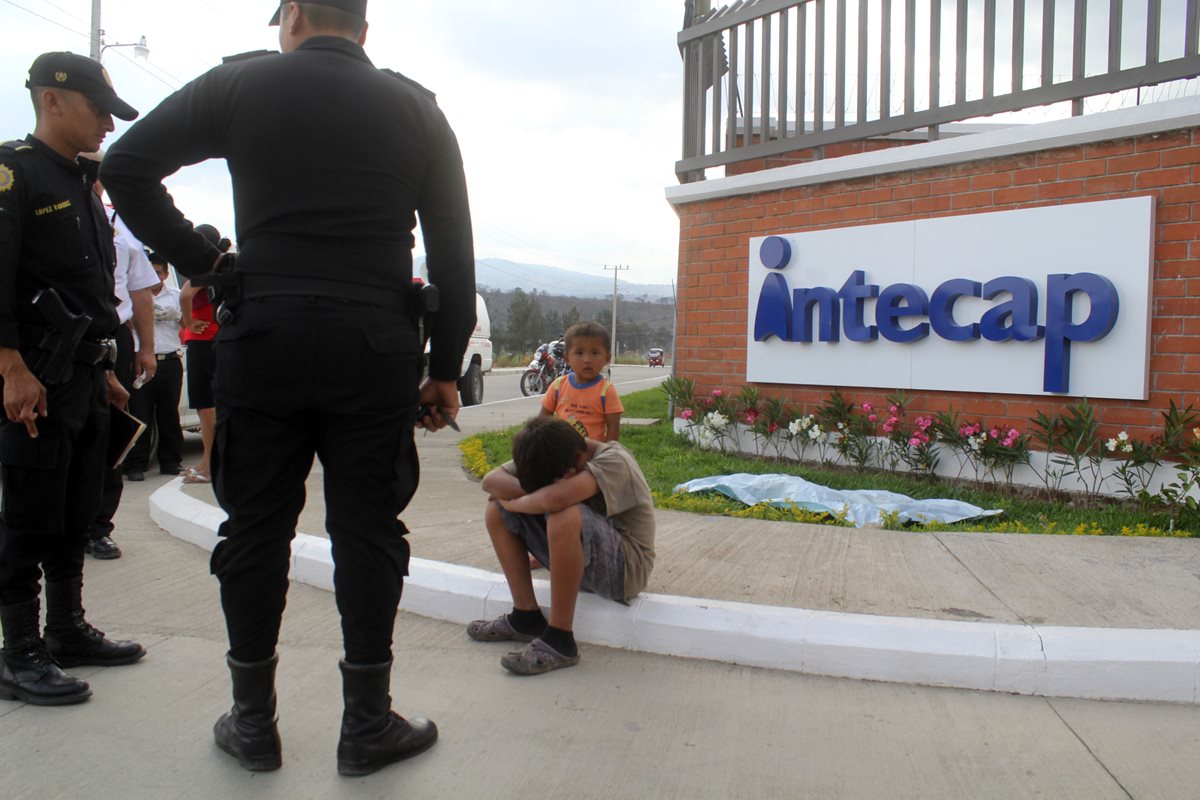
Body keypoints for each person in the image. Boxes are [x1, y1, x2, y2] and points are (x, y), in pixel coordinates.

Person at [101, 0, 476, 776]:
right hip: (372, 346)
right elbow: (453, 252)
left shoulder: (242, 86)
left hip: (261, 338)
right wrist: (443, 370)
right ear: (363, 29)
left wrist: (197, 256)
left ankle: (253, 724)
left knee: (256, 529)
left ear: (296, 14)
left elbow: (125, 165)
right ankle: (366, 725)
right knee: (368, 533)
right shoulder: (417, 110)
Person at [0, 51, 147, 708]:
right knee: (28, 519)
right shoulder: (15, 174)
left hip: (85, 378)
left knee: (73, 514)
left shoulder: (84, 186)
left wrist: (108, 371)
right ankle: (19, 652)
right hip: (34, 381)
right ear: (53, 99)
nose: (107, 127)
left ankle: (66, 630)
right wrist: (11, 368)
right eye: (99, 110)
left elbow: (90, 295)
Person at [469, 416, 656, 675]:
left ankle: (560, 640)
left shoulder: (614, 459)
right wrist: (529, 496)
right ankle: (526, 617)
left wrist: (517, 502)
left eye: (558, 478)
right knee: (496, 510)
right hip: (581, 560)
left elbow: (556, 499)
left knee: (564, 514)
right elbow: (490, 481)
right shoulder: (547, 449)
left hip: (625, 571)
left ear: (579, 459)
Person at [84, 157, 160, 558]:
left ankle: (98, 527)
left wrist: (146, 348)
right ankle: (57, 527)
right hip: (59, 335)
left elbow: (141, 290)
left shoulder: (119, 223)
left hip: (115, 334)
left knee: (111, 433)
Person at [124, 250, 185, 480]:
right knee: (141, 414)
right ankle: (135, 464)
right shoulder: (134, 296)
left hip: (168, 360)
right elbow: (125, 323)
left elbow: (187, 323)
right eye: (149, 272)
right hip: (140, 361)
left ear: (165, 274)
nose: (154, 277)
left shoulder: (177, 295)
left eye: (158, 273)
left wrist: (175, 314)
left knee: (169, 414)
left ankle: (170, 461)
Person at [177, 224, 229, 485]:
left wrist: (187, 322)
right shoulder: (225, 267)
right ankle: (215, 462)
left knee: (205, 407)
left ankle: (209, 465)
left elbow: (186, 294)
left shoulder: (202, 269)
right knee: (219, 405)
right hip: (221, 338)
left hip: (201, 339)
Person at [539, 321, 623, 442]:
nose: (587, 360)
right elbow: (542, 421)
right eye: (579, 353)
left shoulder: (606, 391)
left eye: (595, 353)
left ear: (607, 358)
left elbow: (613, 427)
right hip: (560, 454)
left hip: (593, 456)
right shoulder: (558, 386)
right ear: (567, 358)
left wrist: (607, 455)